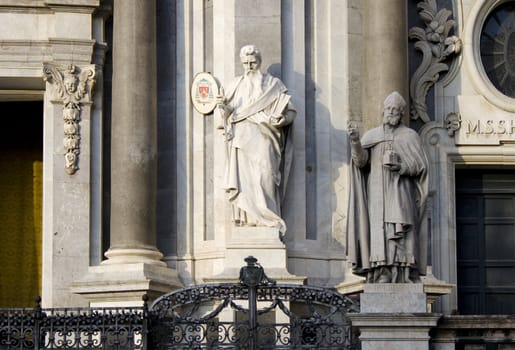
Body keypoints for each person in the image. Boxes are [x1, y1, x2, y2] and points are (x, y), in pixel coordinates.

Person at [347, 91, 429, 283]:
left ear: (401, 114)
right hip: (376, 193)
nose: (391, 112)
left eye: (396, 110)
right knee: (380, 231)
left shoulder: (410, 136)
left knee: (401, 230)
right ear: (383, 111)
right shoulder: (372, 136)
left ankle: (404, 273)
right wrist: (355, 141)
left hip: (400, 192)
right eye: (389, 109)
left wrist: (402, 167)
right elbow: (360, 162)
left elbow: (421, 166)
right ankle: (382, 272)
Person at [215, 45, 296, 234]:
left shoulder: (273, 85)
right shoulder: (234, 85)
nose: (249, 66)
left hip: (266, 138)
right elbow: (226, 116)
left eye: (252, 62)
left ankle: (268, 218)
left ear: (259, 62)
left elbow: (290, 110)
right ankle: (249, 220)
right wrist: (223, 108)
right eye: (245, 63)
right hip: (242, 140)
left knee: (265, 176)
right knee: (245, 183)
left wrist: (283, 120)